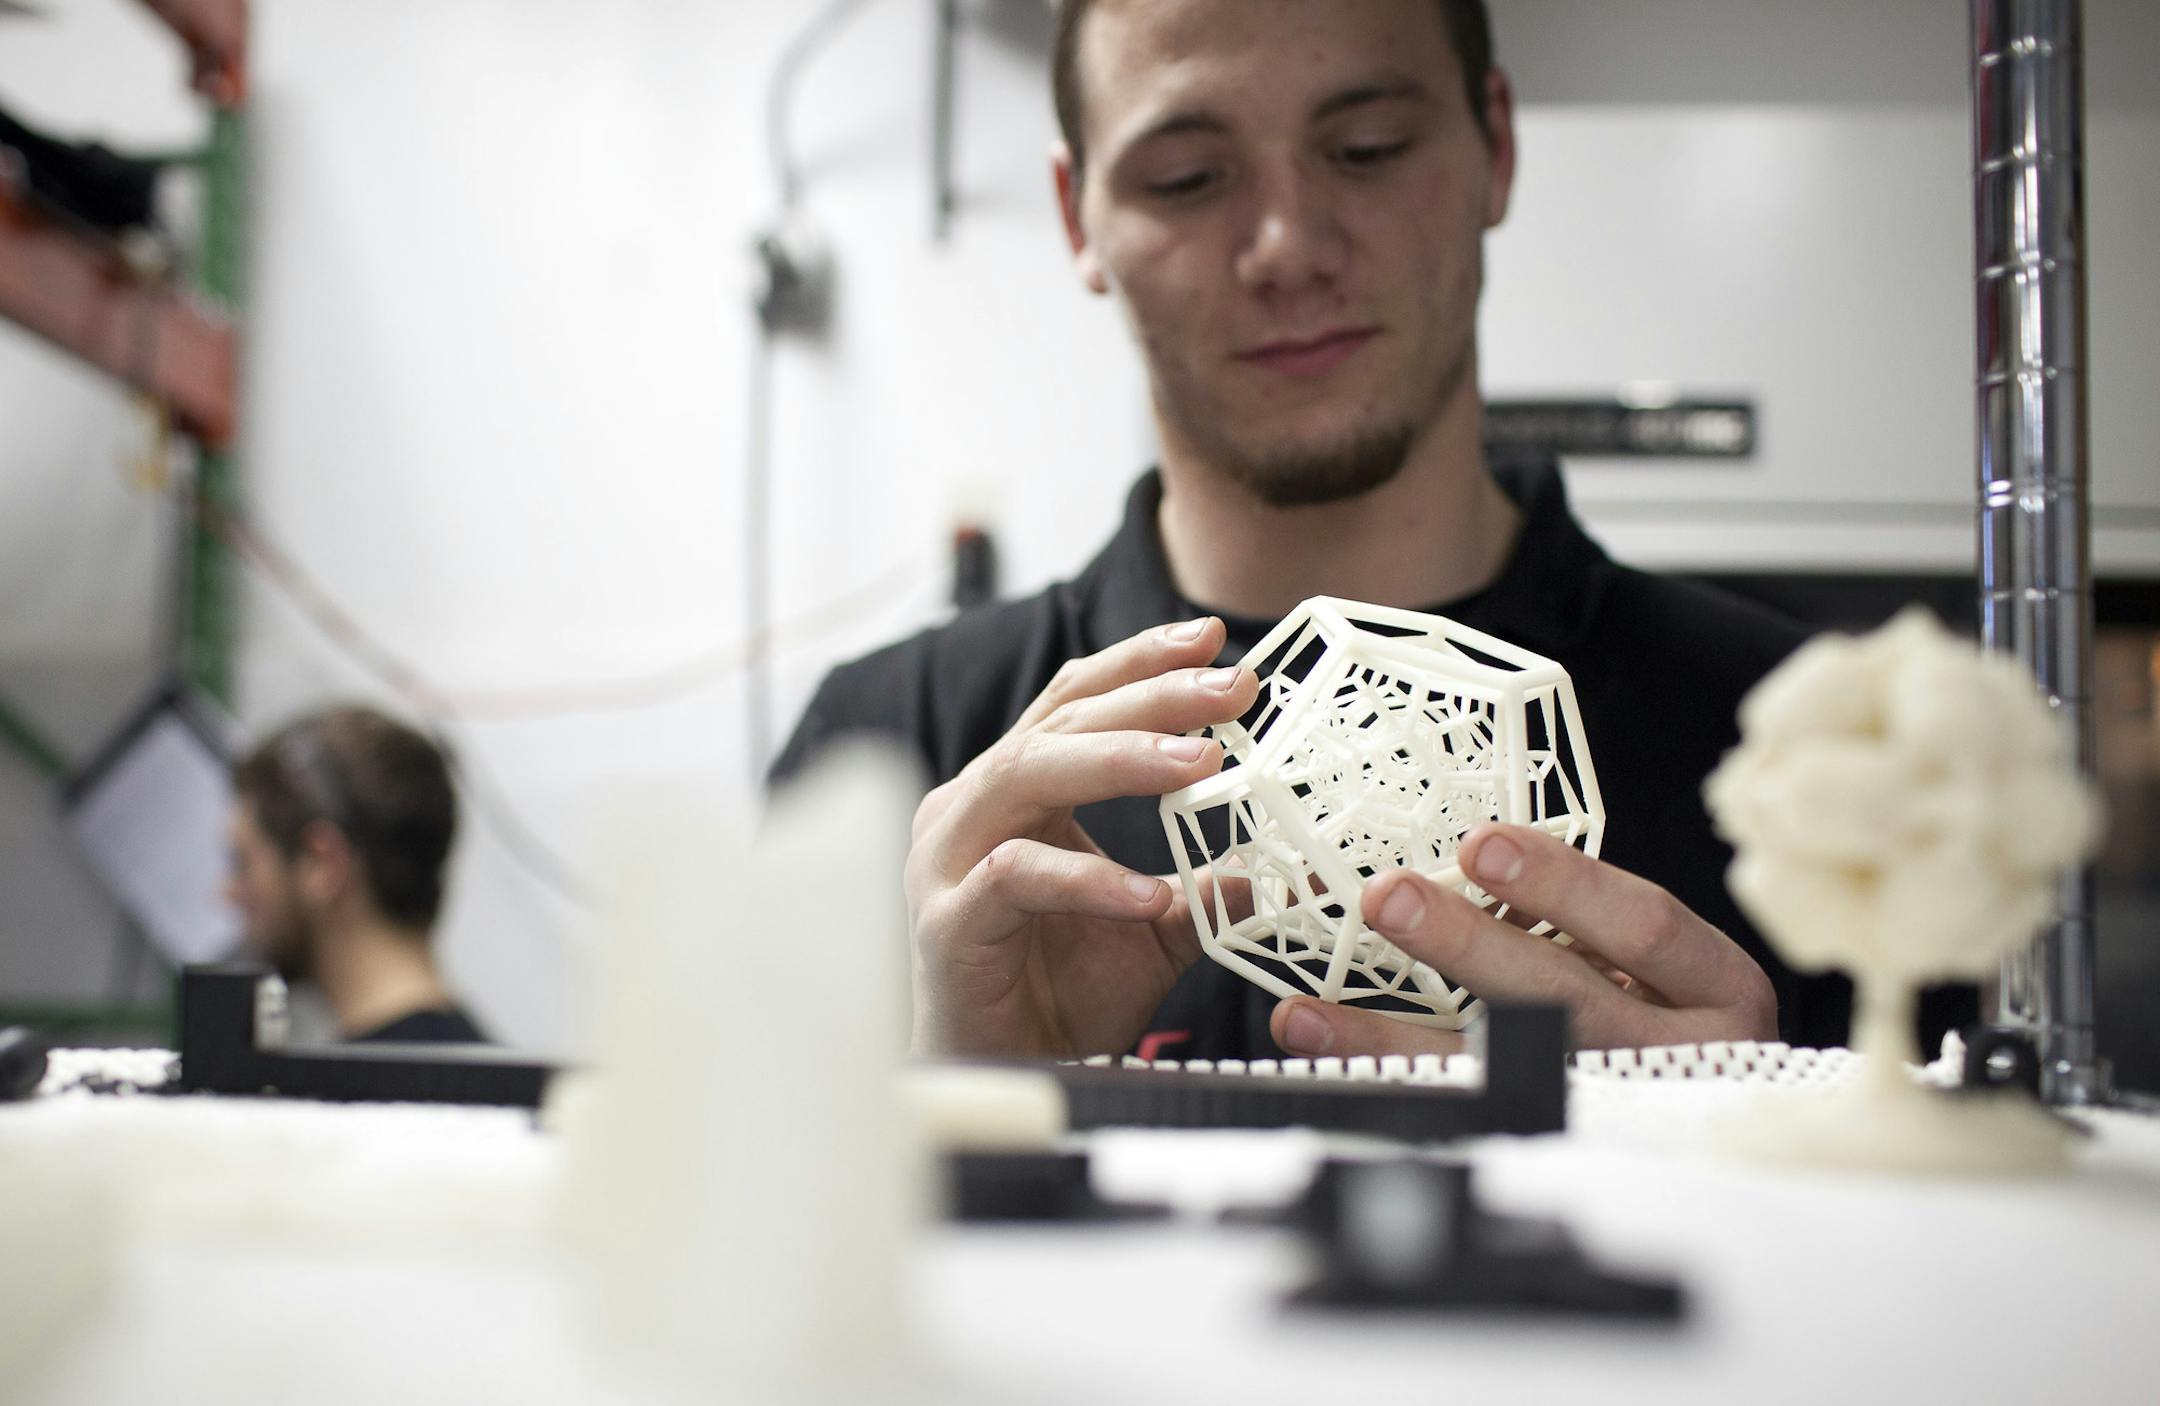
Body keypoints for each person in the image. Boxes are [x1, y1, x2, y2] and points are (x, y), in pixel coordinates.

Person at [776, 0, 1940, 1063]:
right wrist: (953, 1111)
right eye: (1187, 176)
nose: (1286, 243)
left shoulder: (1810, 748)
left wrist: (1738, 1122)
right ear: (1080, 215)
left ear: (1497, 147)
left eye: (1367, 149)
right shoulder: (892, 752)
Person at [224, 704, 488, 1044]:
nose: (228, 893)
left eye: (243, 863)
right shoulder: (499, 1079)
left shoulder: (343, 1094)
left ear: (323, 864)